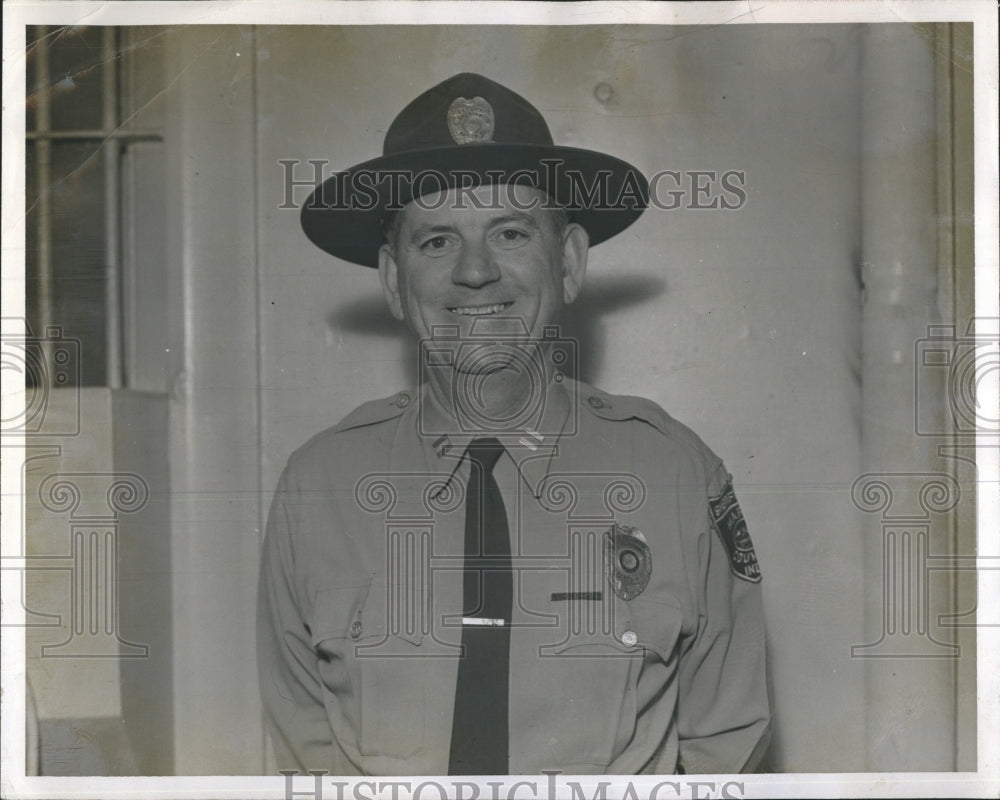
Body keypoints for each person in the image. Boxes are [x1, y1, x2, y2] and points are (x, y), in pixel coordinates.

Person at [257, 73, 771, 776]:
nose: (475, 272)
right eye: (436, 241)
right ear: (391, 280)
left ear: (568, 263)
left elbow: (726, 749)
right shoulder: (317, 489)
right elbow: (302, 751)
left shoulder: (675, 475)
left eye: (509, 232)